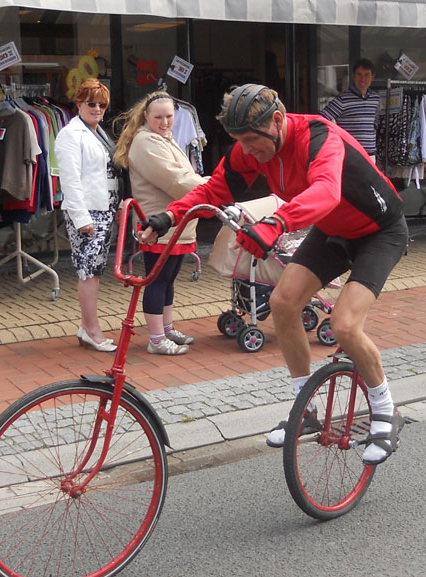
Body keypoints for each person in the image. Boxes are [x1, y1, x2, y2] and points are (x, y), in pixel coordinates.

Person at [139, 84, 408, 465]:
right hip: (332, 231)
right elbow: (216, 188)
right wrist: (170, 215)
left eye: (251, 140)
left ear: (277, 121)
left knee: (346, 325)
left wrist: (275, 223)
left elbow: (327, 191)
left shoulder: (319, 138)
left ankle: (385, 410)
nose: (247, 151)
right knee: (282, 303)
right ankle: (306, 410)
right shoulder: (251, 147)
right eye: (239, 142)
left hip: (379, 232)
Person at [113, 92, 207, 356]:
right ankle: (156, 338)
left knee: (168, 279)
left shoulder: (163, 138)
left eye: (169, 116)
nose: (165, 122)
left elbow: (181, 179)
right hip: (159, 225)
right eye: (159, 117)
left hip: (175, 223)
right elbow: (175, 181)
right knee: (156, 279)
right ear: (146, 116)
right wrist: (212, 188)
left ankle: (165, 328)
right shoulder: (146, 142)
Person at [53, 78, 119, 353]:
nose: (97, 108)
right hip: (88, 211)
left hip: (104, 207)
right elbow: (69, 180)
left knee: (95, 269)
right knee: (88, 270)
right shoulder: (71, 134)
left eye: (101, 104)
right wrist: (81, 218)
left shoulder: (98, 132)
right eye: (90, 103)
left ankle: (87, 326)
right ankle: (92, 330)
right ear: (78, 103)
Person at [319, 58, 381, 160]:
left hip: (370, 156)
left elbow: (374, 124)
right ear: (353, 76)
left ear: (372, 77)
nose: (362, 79)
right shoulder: (343, 99)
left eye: (367, 75)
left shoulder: (376, 99)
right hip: (350, 155)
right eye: (359, 75)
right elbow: (322, 119)